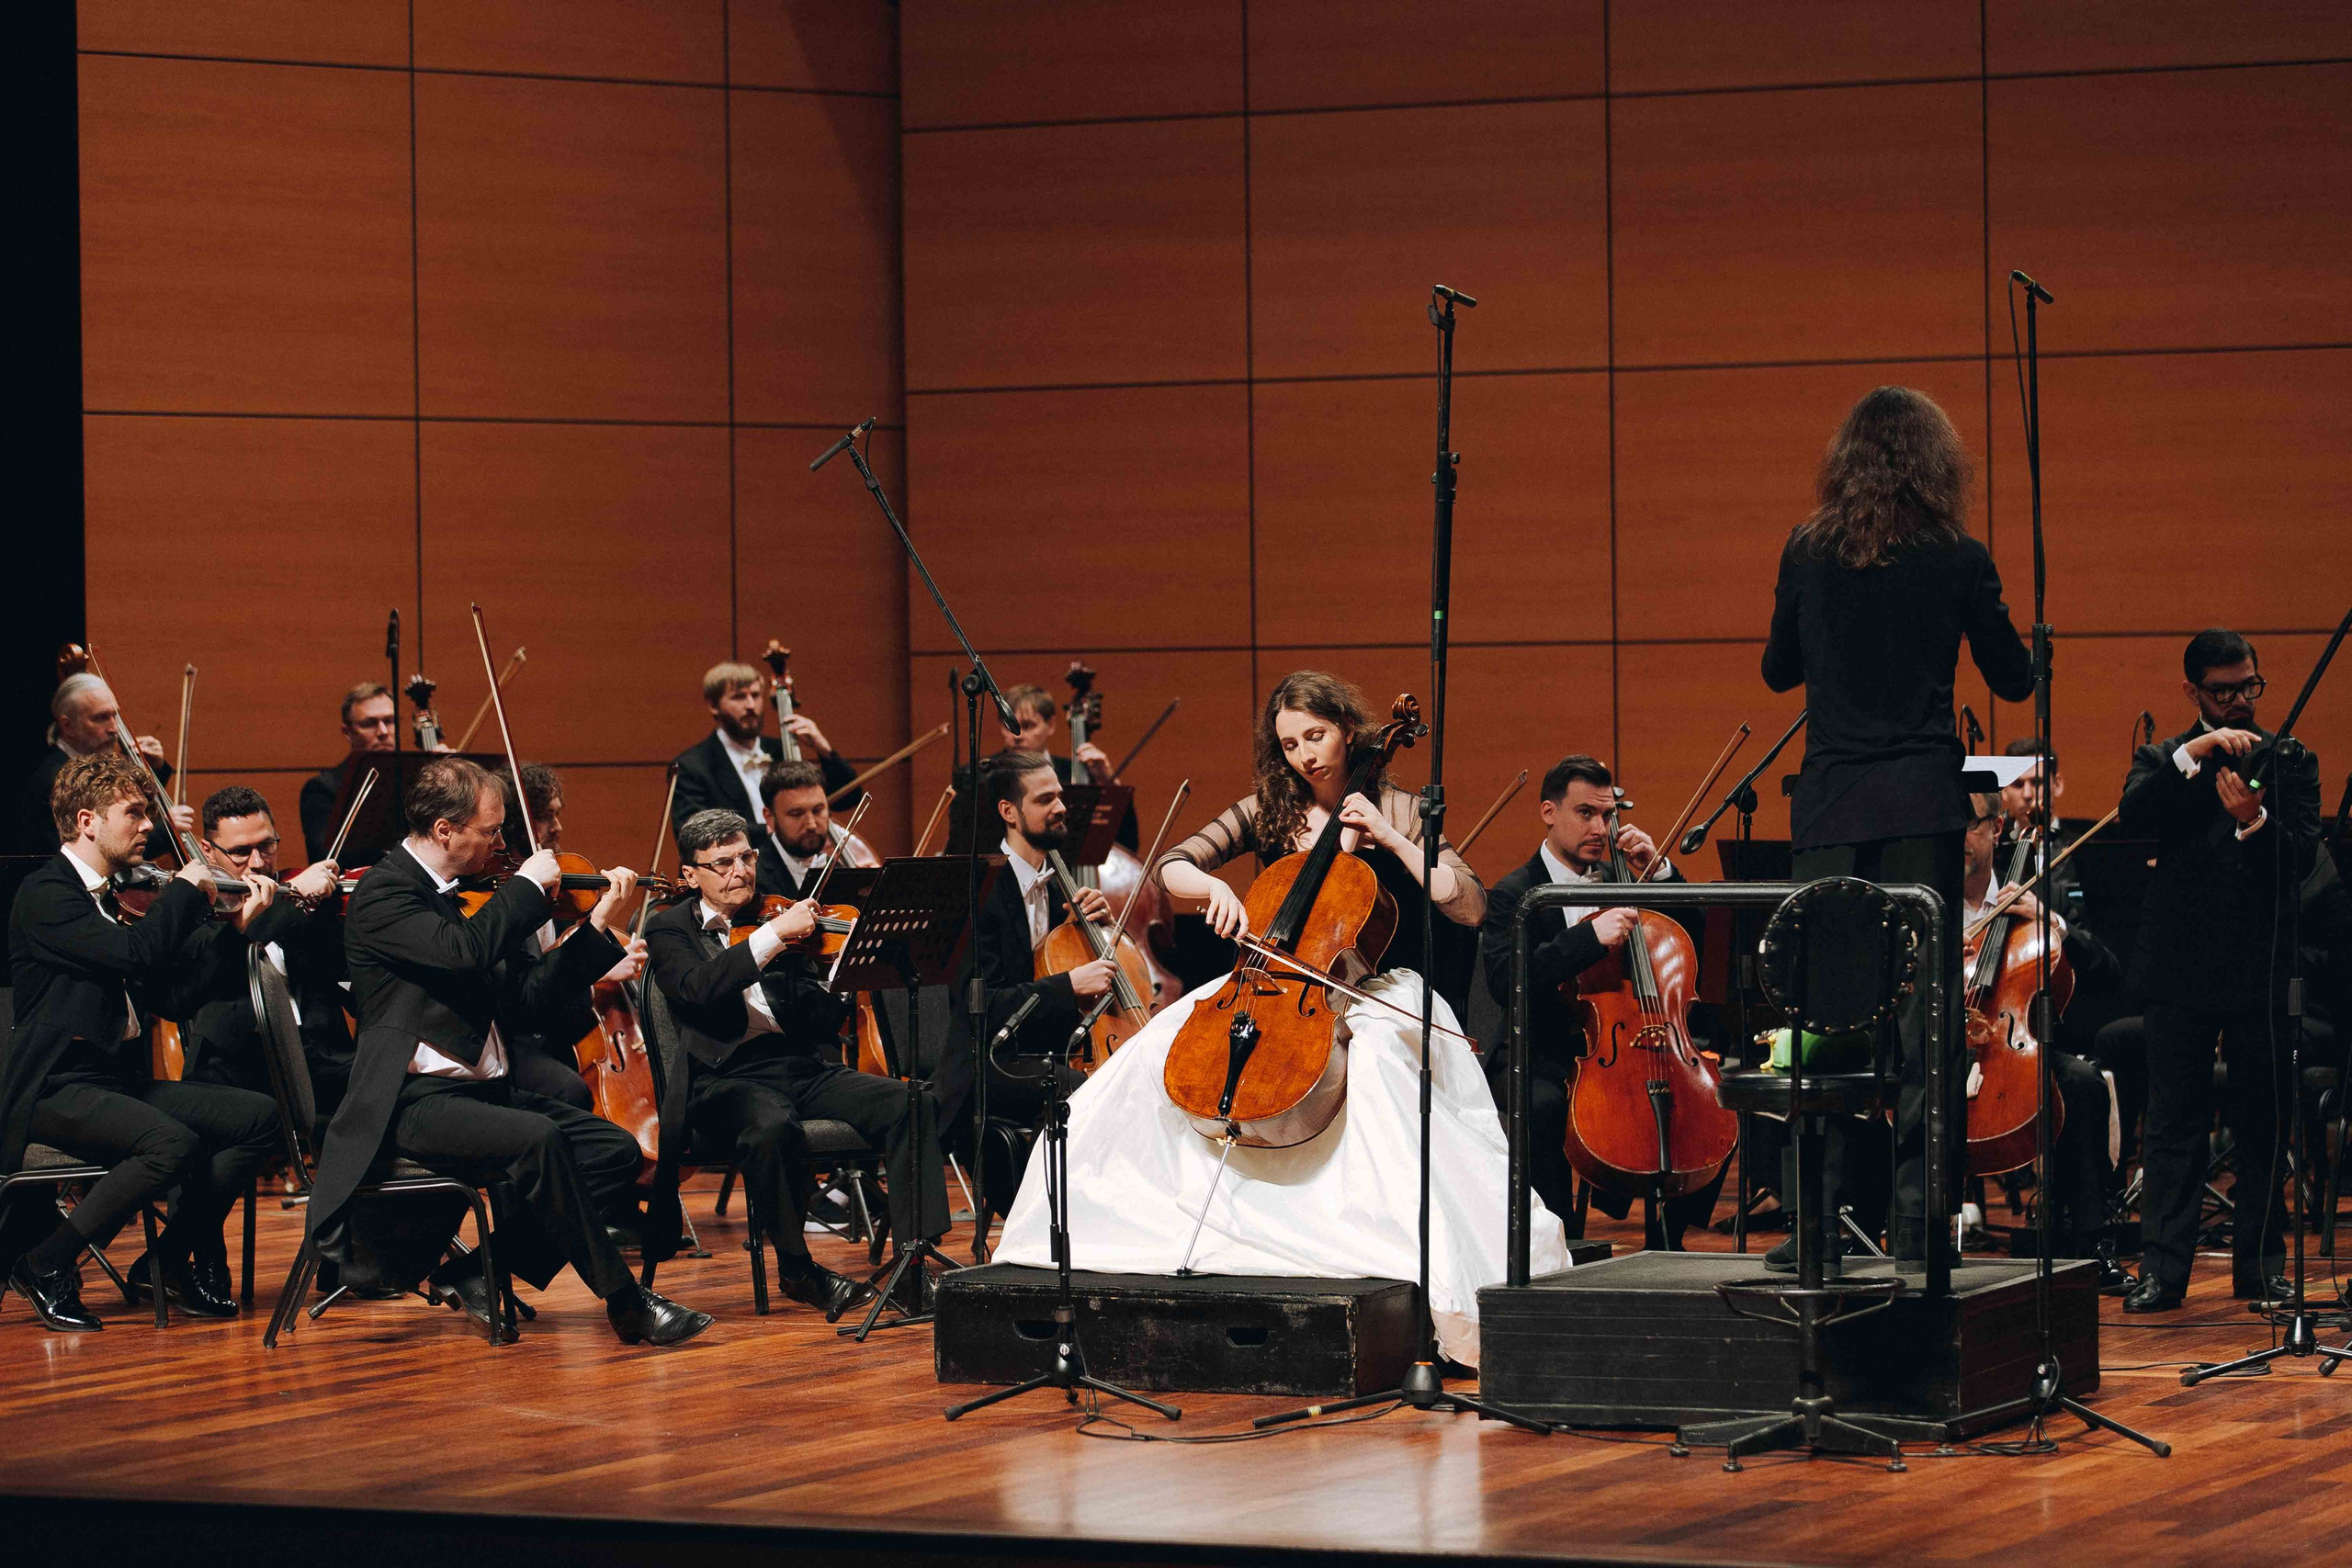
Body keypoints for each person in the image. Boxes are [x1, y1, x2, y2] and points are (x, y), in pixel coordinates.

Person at [993, 671, 1570, 1368]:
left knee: (1383, 1067)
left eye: (1316, 736)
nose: (1304, 755)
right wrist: (1209, 887)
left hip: (1370, 988)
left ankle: (1395, 1254)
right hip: (1271, 982)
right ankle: (1091, 1233)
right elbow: (1174, 863)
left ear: (1348, 728)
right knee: (1144, 1059)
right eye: (1290, 742)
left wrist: (1388, 835)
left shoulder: (1402, 806)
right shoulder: (1266, 808)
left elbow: (1469, 903)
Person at [1761, 385, 2034, 1269]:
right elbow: (2014, 678)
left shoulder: (1808, 548)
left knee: (1831, 1019)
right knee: (1925, 1027)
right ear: (1936, 462)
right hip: (1920, 805)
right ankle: (1920, 1229)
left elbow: (1776, 672)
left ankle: (1814, 1232)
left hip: (1833, 808)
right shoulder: (1958, 556)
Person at [303, 756, 708, 1346]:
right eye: (491, 831)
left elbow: (524, 1003)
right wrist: (523, 891)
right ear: (446, 830)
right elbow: (464, 951)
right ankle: (626, 1303)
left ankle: (476, 1271)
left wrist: (594, 929)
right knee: (537, 1139)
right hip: (409, 1101)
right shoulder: (384, 895)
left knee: (613, 1151)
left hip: (482, 1092)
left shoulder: (468, 897)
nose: (502, 843)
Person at [3, 754, 279, 1330]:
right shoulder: (45, 894)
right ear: (86, 821)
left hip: (110, 1082)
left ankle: (168, 1260)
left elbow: (176, 1000)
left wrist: (236, 931)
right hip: (53, 1085)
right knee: (170, 1143)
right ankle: (46, 1264)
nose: (149, 826)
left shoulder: (116, 901)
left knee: (260, 1118)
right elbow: (134, 955)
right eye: (134, 813)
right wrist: (184, 891)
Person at [646, 808, 947, 1316]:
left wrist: (837, 973)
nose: (740, 870)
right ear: (691, 875)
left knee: (910, 1101)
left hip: (797, 1066)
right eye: (722, 863)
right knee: (770, 1124)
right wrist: (773, 939)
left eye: (746, 856)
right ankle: (797, 1269)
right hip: (722, 1078)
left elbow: (820, 1020)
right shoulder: (669, 928)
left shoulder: (776, 915)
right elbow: (697, 990)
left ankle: (911, 1267)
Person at [2115, 629, 2321, 1312]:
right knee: (2174, 1119)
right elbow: (2134, 818)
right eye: (2223, 691)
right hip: (2180, 967)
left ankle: (2260, 1269)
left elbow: (2300, 861)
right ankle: (2163, 1271)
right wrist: (2192, 753)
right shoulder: (2162, 759)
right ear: (2193, 692)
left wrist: (2254, 822)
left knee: (2263, 1119)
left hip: (2260, 963)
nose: (2238, 701)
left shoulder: (2290, 760)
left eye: (2248, 687)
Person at [1476, 754, 1727, 1251]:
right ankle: (1556, 1243)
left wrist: (1659, 875)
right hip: (1543, 1052)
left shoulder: (1624, 878)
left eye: (1608, 814)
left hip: (1631, 1043)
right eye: (1585, 813)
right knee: (1542, 1106)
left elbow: (1689, 936)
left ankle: (1668, 1240)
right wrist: (1587, 939)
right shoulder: (1514, 892)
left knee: (1707, 1098)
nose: (1601, 827)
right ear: (1549, 812)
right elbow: (1508, 980)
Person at [1956, 794, 2128, 1290]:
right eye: (1953, 825)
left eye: (1971, 825)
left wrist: (2052, 921)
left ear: (1996, 829)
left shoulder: (2037, 885)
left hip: (2014, 1047)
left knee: (2082, 1084)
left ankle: (2093, 1241)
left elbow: (2108, 975)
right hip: (1941, 1047)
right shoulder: (1928, 899)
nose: (1960, 838)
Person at [934, 751, 1118, 1134]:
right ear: (1009, 812)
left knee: (1122, 1078)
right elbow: (980, 1005)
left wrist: (1084, 934)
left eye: (1059, 796)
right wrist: (1069, 984)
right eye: (1044, 799)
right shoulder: (978, 891)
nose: (1061, 808)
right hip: (985, 1063)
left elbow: (1042, 968)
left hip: (1044, 1051)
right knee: (1082, 1091)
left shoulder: (1054, 890)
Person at [175, 785, 350, 1103]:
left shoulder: (304, 906)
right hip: (235, 1068)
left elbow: (348, 979)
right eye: (240, 851)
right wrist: (295, 894)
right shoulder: (189, 910)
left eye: (267, 845)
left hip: (322, 1060)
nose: (258, 863)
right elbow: (208, 968)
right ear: (207, 850)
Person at [492, 762, 646, 1113]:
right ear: (517, 821)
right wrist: (598, 976)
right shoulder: (501, 893)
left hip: (561, 1021)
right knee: (570, 1090)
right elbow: (523, 997)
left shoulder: (561, 883)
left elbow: (564, 951)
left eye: (557, 814)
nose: (558, 827)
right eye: (546, 816)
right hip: (518, 1033)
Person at [670, 661, 859, 849]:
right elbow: (691, 834)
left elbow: (848, 799)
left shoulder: (783, 751)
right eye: (739, 697)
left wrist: (824, 749)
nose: (751, 705)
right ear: (713, 705)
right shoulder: (692, 766)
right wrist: (777, 829)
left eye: (755, 695)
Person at [16, 672, 190, 855]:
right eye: (100, 718)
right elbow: (96, 856)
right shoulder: (57, 781)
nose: (114, 729)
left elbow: (135, 810)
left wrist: (153, 769)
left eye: (115, 716)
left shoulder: (92, 767)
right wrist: (167, 831)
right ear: (68, 726)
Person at [299, 682, 401, 865]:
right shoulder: (323, 789)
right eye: (369, 724)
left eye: (389, 721)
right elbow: (325, 856)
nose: (383, 732)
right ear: (348, 732)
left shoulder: (419, 778)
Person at [755, 759, 856, 902]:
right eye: (797, 814)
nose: (811, 825)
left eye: (817, 810)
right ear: (770, 817)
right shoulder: (753, 879)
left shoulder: (837, 870)